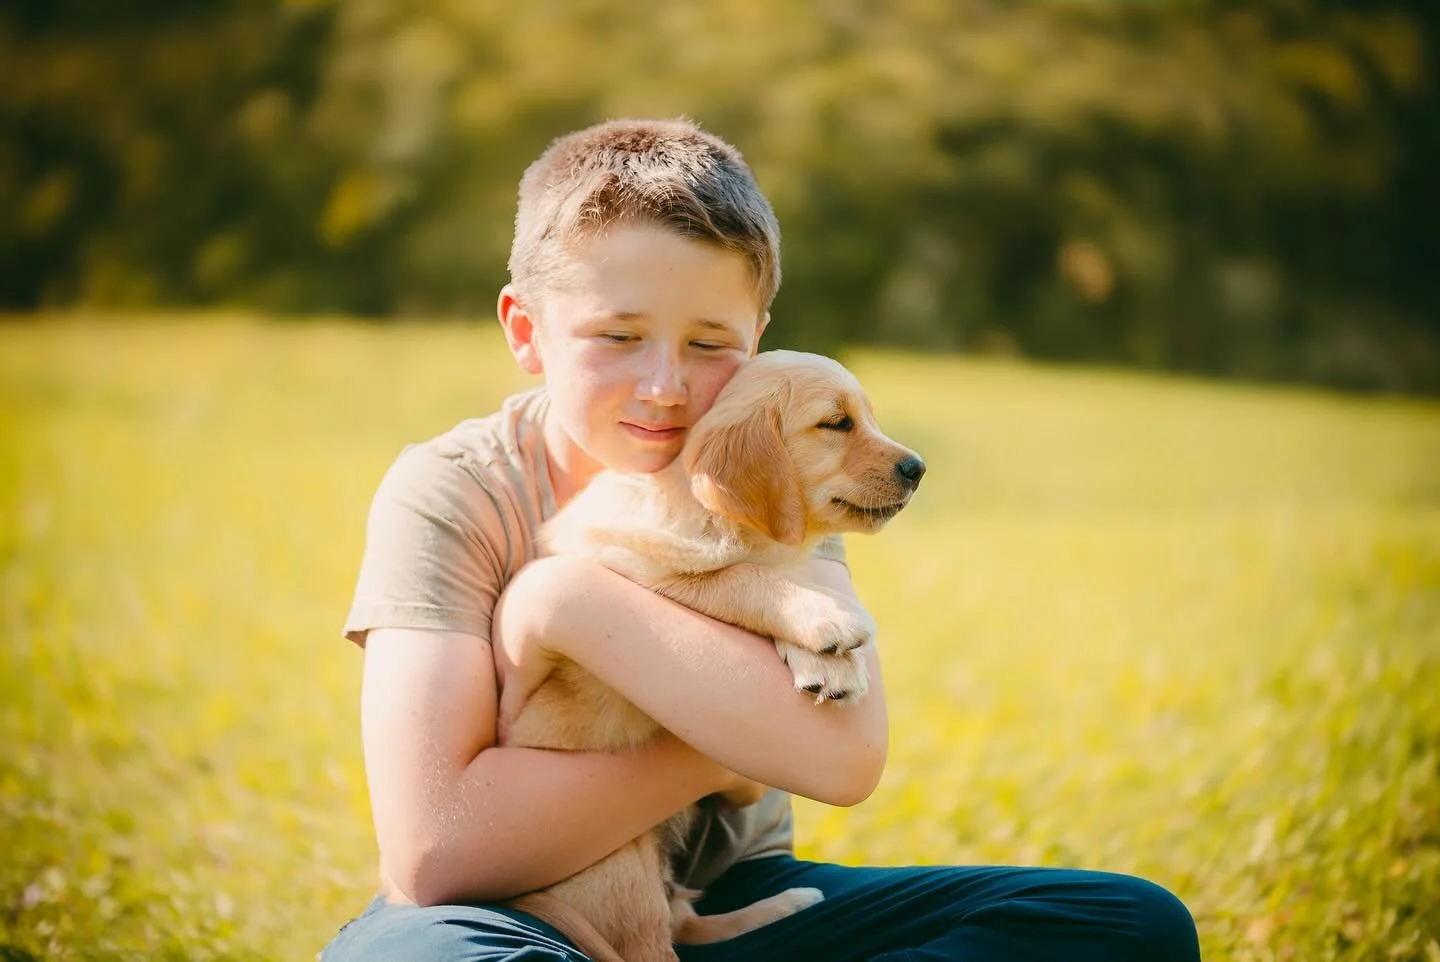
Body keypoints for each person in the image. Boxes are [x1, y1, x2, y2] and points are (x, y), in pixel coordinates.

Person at [320, 118, 1202, 962]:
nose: (665, 387)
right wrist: (728, 728)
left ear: (760, 347)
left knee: (1126, 925)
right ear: (526, 331)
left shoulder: (772, 471)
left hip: (728, 897)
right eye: (619, 337)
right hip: (511, 908)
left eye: (710, 344)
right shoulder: (453, 491)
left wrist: (572, 607)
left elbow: (845, 757)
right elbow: (433, 856)